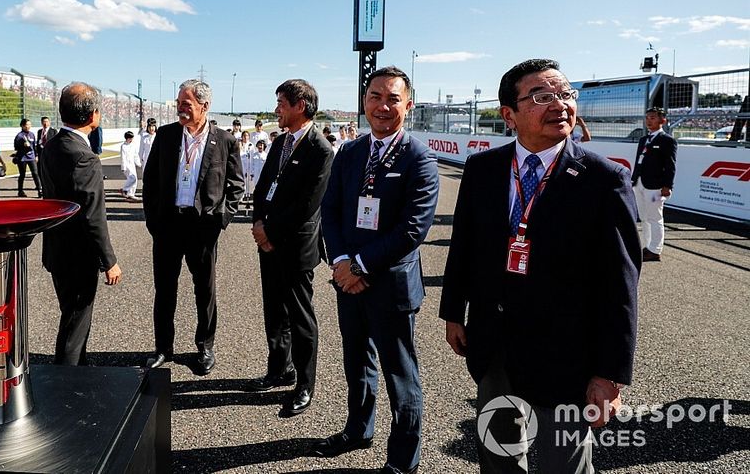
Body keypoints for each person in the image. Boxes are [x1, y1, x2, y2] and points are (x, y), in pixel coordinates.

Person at [440, 58, 642, 473]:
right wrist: (453, 312)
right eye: (541, 96)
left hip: (567, 358)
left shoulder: (603, 180)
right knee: (498, 457)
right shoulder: (483, 169)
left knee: (563, 465)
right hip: (494, 346)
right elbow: (464, 245)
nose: (560, 104)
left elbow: (620, 284)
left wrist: (609, 372)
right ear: (508, 114)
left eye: (565, 94)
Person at [315, 66, 439, 474]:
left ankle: (403, 460)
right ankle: (358, 429)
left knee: (400, 375)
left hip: (390, 285)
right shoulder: (350, 152)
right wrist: (339, 262)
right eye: (374, 97)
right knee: (356, 363)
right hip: (348, 281)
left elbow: (412, 228)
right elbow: (330, 211)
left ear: (409, 104)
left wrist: (361, 265)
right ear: (364, 101)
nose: (382, 106)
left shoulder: (419, 158)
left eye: (392, 98)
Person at [142, 79, 244, 375]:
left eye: (186, 105)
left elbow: (236, 186)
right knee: (164, 290)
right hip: (168, 225)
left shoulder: (224, 141)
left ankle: (205, 346)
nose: (180, 110)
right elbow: (151, 181)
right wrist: (153, 220)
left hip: (203, 228)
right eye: (178, 104)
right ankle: (163, 348)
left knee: (205, 291)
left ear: (205, 106)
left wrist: (221, 219)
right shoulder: (166, 135)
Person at [247, 79, 334, 418]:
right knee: (274, 311)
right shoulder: (281, 142)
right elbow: (263, 186)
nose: (277, 109)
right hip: (267, 241)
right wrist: (257, 222)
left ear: (300, 105)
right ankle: (278, 368)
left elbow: (306, 205)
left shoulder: (320, 149)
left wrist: (269, 231)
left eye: (281, 103)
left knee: (300, 317)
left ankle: (304, 384)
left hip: (294, 246)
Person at [38, 82, 122, 365]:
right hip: (78, 255)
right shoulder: (85, 157)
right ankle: (65, 385)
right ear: (93, 116)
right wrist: (109, 260)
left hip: (56, 250)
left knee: (71, 315)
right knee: (75, 323)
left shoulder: (50, 146)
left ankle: (78, 369)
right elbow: (93, 215)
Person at [632, 106, 677, 263]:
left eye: (652, 118)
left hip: (655, 186)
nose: (648, 121)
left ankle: (655, 250)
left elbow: (670, 165)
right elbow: (639, 161)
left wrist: (667, 186)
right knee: (643, 217)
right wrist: (634, 179)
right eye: (647, 118)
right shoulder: (644, 139)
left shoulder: (667, 141)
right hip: (639, 183)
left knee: (655, 218)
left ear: (662, 120)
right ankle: (648, 246)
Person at [13, 118, 41, 198]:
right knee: (22, 174)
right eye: (26, 125)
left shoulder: (32, 134)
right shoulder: (19, 136)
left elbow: (34, 146)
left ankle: (40, 190)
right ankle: (20, 191)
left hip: (31, 157)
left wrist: (36, 155)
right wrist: (23, 145)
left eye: (29, 124)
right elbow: (16, 147)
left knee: (35, 173)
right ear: (22, 126)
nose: (28, 126)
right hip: (22, 158)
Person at [119, 130, 141, 201]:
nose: (131, 139)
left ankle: (131, 193)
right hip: (126, 165)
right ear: (127, 138)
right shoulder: (123, 146)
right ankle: (125, 189)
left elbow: (135, 155)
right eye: (130, 138)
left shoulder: (133, 145)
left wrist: (139, 163)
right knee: (132, 178)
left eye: (132, 138)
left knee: (135, 179)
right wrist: (123, 167)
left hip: (132, 164)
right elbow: (123, 157)